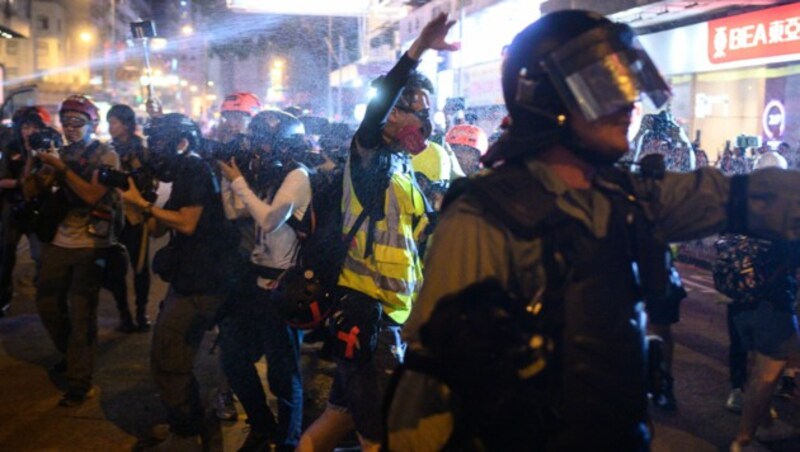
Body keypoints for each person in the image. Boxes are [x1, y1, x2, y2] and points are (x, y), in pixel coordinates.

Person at [386, 10, 800, 450]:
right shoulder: (486, 219)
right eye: (604, 86)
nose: (627, 102)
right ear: (546, 98)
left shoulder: (627, 196)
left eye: (625, 84)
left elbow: (748, 197)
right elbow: (426, 409)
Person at [296, 13, 456, 452]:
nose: (417, 117)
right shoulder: (367, 154)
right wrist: (418, 49)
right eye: (408, 106)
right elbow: (379, 103)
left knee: (335, 421)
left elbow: (414, 239)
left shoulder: (404, 166)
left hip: (393, 316)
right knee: (381, 440)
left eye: (424, 108)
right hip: (367, 313)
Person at [121, 113, 234, 451]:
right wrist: (142, 201)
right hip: (187, 280)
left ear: (181, 142)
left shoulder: (194, 169)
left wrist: (142, 204)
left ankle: (185, 436)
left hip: (202, 284)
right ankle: (186, 425)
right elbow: (157, 227)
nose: (154, 149)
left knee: (171, 361)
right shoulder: (176, 173)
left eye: (159, 141)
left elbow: (186, 223)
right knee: (166, 358)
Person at [217, 110, 311, 451]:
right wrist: (232, 178)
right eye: (255, 144)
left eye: (264, 144)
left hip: (283, 286)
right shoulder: (269, 175)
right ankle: (261, 425)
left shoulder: (298, 175)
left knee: (283, 375)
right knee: (234, 357)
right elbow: (234, 211)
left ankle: (288, 441)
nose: (258, 151)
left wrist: (239, 182)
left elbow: (270, 219)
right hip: (252, 284)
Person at [34, 95, 122, 407]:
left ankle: (79, 382)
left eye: (77, 122)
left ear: (92, 124)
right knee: (46, 303)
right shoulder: (59, 151)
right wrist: (38, 161)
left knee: (83, 312)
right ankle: (71, 354)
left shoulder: (105, 155)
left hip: (91, 242)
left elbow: (91, 195)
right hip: (58, 240)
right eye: (66, 121)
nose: (70, 128)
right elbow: (32, 190)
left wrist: (62, 168)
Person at [727, 151, 800, 451]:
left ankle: (762, 416)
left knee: (757, 364)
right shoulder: (785, 216)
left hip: (737, 300)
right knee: (767, 375)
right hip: (771, 303)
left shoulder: (740, 208)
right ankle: (743, 439)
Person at [106, 104, 157, 332]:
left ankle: (140, 311)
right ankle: (124, 313)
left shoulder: (141, 149)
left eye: (114, 122)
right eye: (109, 122)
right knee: (116, 269)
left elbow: (150, 180)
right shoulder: (106, 150)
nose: (110, 127)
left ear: (126, 124)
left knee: (139, 268)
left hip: (136, 215)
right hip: (113, 216)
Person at [0, 106, 49, 316]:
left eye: (34, 127)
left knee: (41, 256)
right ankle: (3, 298)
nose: (29, 131)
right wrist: (19, 183)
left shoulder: (46, 150)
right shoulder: (10, 149)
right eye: (26, 127)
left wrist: (33, 155)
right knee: (5, 256)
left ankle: (45, 299)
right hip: (12, 209)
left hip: (36, 210)